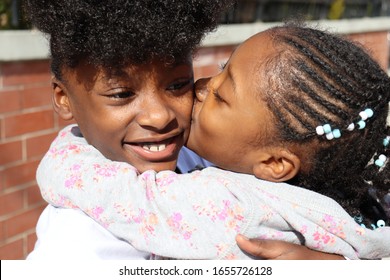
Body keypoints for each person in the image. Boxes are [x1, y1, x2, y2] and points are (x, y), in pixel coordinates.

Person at [35, 23, 390, 259]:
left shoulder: (234, 202)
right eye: (122, 93)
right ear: (62, 97)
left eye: (177, 85)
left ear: (274, 165)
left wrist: (67, 154)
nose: (203, 86)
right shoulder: (74, 244)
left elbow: (130, 199)